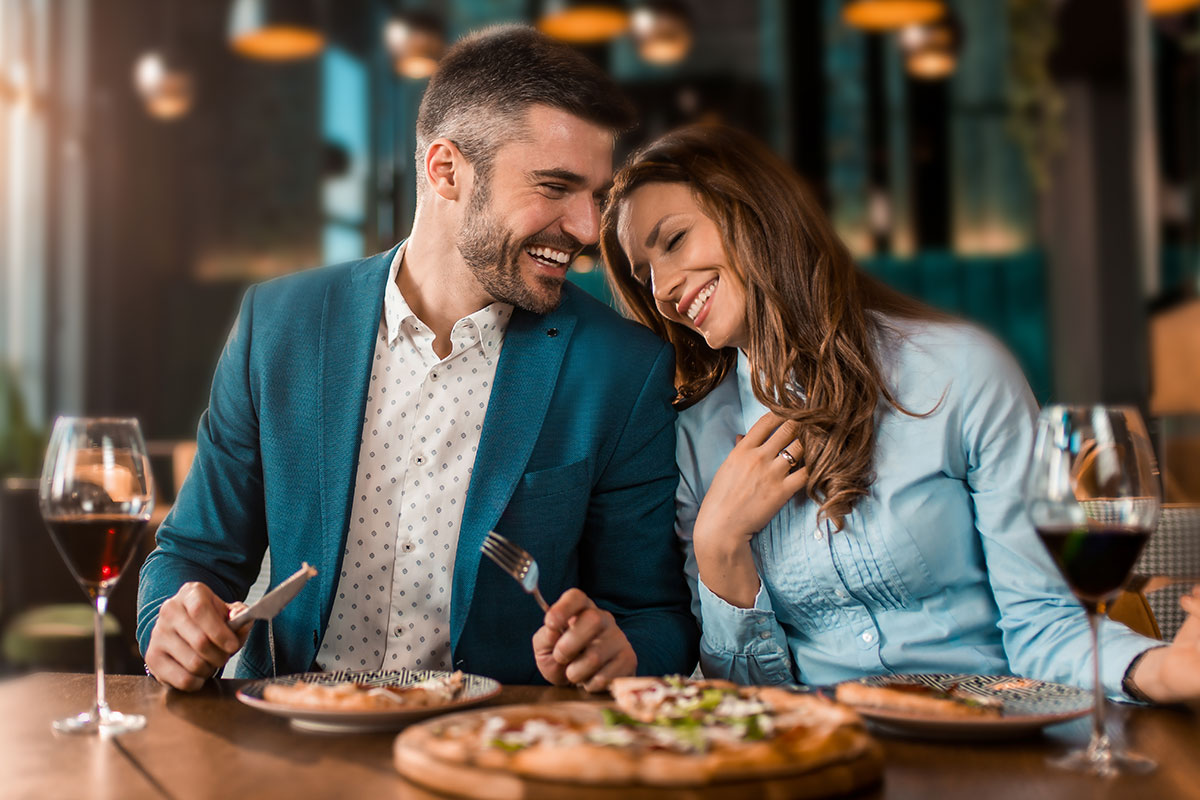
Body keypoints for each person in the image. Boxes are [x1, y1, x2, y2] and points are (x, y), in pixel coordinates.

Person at [137, 25, 698, 692]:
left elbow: (657, 618)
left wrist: (622, 650)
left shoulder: (623, 369)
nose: (585, 228)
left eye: (596, 196)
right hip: (291, 736)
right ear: (445, 169)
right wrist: (169, 623)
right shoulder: (277, 325)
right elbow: (192, 555)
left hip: (492, 753)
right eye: (554, 187)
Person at [599, 123, 1200, 703]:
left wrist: (1166, 670)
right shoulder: (692, 441)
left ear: (756, 213)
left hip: (989, 748)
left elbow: (1044, 624)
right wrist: (719, 542)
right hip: (823, 758)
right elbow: (747, 707)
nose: (663, 288)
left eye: (674, 241)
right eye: (643, 272)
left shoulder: (960, 373)